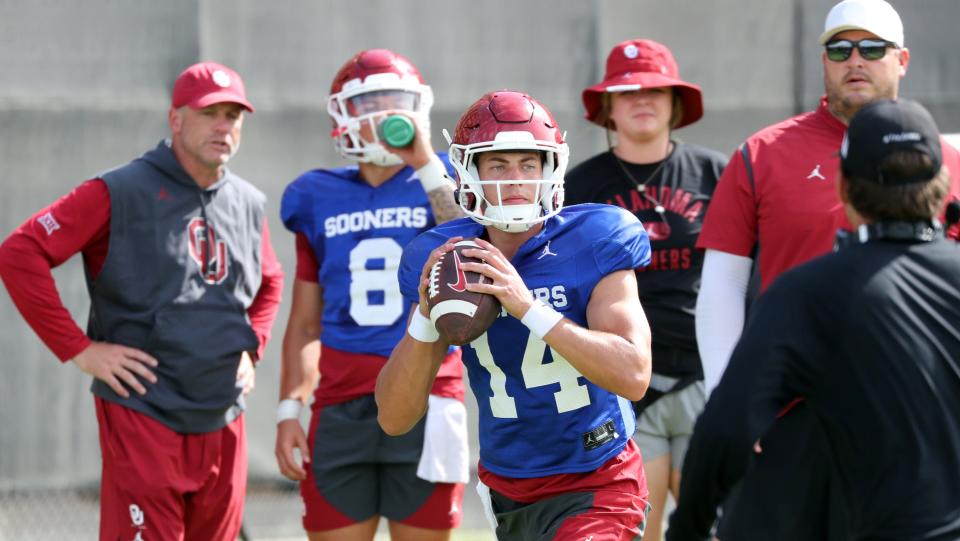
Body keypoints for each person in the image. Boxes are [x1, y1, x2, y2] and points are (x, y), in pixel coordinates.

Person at [673, 0, 960, 538]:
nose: (855, 59)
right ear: (822, 59)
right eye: (840, 48)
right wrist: (729, 400)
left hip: (911, 428)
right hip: (787, 419)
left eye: (872, 48)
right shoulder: (762, 153)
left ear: (902, 59)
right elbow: (721, 287)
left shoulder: (944, 159)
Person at [0, 61, 284, 540]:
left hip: (223, 415)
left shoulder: (248, 201)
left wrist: (252, 345)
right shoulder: (120, 189)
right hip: (145, 413)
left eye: (234, 115)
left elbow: (271, 283)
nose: (224, 126)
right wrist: (79, 348)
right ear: (176, 120)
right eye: (210, 112)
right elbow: (20, 252)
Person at [375, 90, 654, 540]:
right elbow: (394, 417)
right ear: (470, 174)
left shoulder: (596, 237)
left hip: (599, 476)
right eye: (498, 165)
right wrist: (425, 316)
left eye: (529, 164)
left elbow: (634, 373)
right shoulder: (447, 257)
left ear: (551, 168)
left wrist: (526, 305)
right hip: (509, 485)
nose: (516, 180)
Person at [273, 48, 467, 541]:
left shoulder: (444, 178)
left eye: (394, 101)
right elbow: (304, 323)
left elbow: (466, 244)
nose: (383, 115)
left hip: (429, 397)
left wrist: (423, 162)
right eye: (369, 102)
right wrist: (288, 409)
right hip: (339, 404)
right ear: (342, 115)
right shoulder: (315, 195)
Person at [565, 38, 726, 541]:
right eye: (627, 91)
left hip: (706, 375)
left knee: (715, 523)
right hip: (623, 382)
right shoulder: (579, 187)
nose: (642, 100)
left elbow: (746, 275)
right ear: (608, 107)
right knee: (637, 523)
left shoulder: (715, 173)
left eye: (655, 91)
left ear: (676, 103)